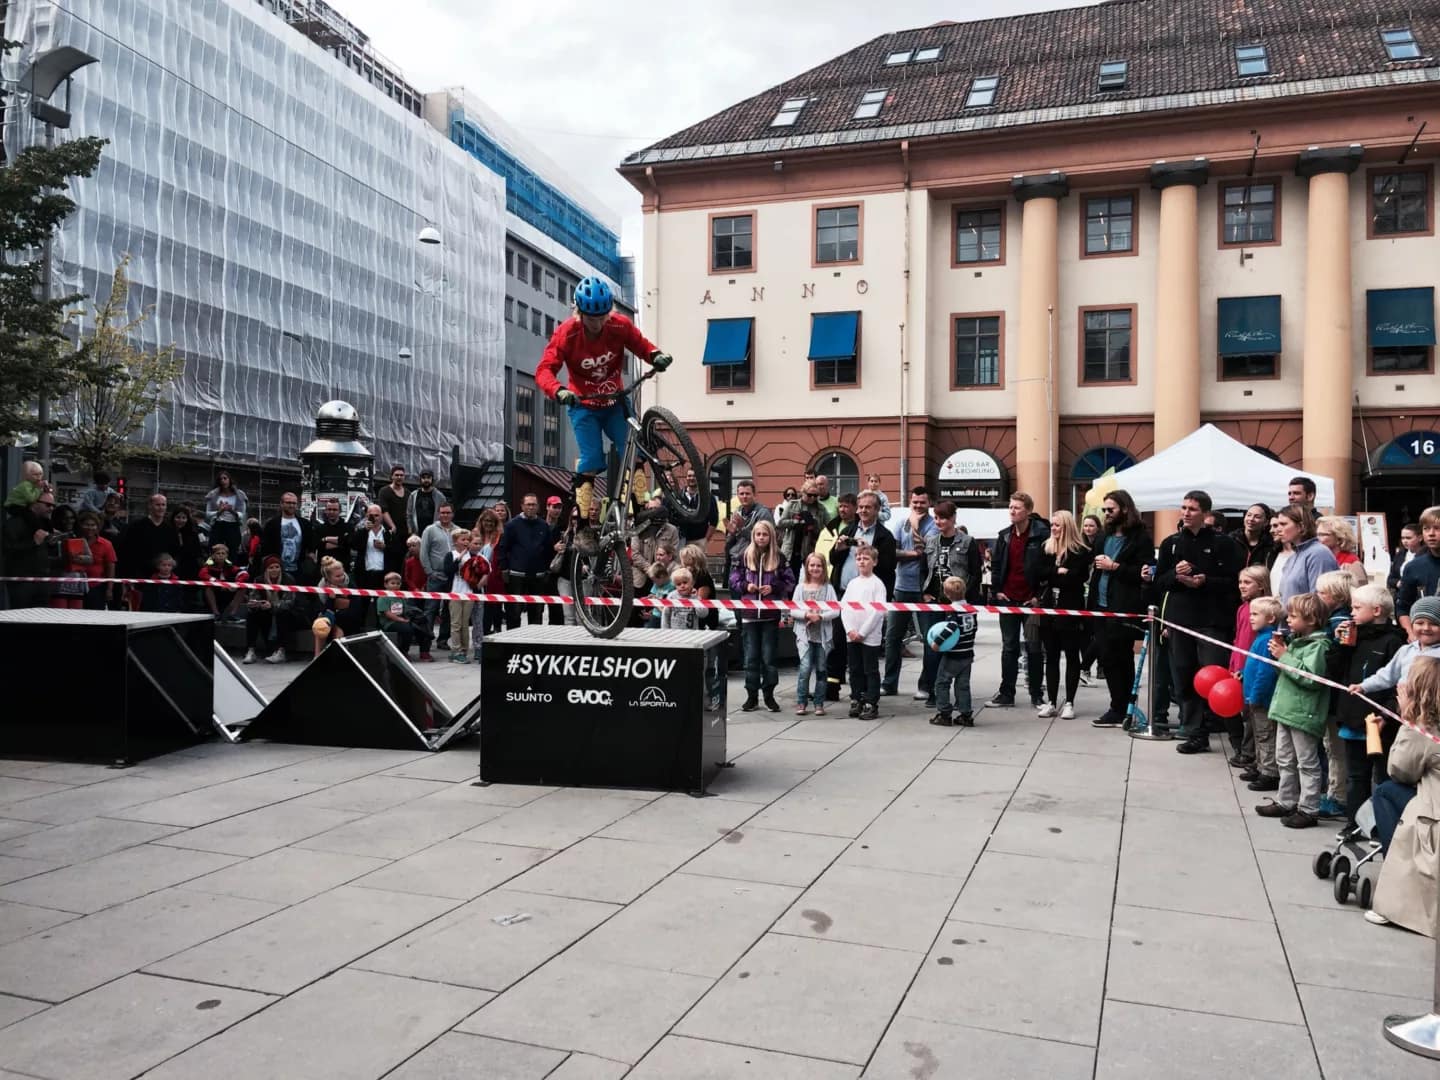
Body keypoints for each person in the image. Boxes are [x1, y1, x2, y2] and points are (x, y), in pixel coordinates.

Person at [535, 275, 673, 533]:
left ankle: (640, 507)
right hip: (583, 405)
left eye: (602, 317)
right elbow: (544, 370)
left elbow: (641, 344)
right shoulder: (567, 333)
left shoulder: (619, 326)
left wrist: (655, 355)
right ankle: (584, 525)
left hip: (614, 403)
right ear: (579, 312)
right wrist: (559, 390)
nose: (597, 323)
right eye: (591, 318)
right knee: (591, 459)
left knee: (634, 449)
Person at [1159, 490, 1243, 755]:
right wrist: (1175, 574)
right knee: (1184, 676)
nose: (1186, 513)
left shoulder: (1223, 543)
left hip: (1212, 621)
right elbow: (1159, 582)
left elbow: (1234, 582)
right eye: (1183, 507)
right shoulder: (1170, 543)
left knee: (1215, 678)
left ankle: (1237, 739)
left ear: (1205, 513)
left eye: (1192, 509)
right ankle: (1196, 732)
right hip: (1181, 620)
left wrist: (1204, 580)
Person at [1366, 655, 1440, 934]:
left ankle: (1395, 871)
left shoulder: (1425, 728)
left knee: (1385, 792)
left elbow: (1400, 769)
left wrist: (1408, 718)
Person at [1330, 583, 1406, 834]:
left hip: (1380, 722)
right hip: (1353, 717)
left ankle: (1382, 825)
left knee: (1382, 776)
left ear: (1376, 610)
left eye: (1356, 607)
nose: (1351, 612)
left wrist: (1387, 712)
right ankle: (1355, 823)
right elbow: (1334, 670)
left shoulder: (1393, 642)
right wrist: (1339, 645)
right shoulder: (1352, 636)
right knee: (1356, 775)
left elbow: (1396, 682)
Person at [1256, 592, 1332, 828]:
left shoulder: (1318, 646)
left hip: (1303, 712)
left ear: (1310, 619)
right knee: (1284, 759)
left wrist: (1285, 657)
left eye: (1294, 616)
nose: (1288, 619)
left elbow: (1310, 678)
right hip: (1286, 709)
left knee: (1306, 762)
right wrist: (1281, 657)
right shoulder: (1296, 643)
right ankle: (1286, 800)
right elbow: (1288, 673)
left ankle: (1309, 807)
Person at [1088, 489, 1152, 729]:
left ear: (1124, 509)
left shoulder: (1139, 537)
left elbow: (1144, 573)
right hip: (1101, 605)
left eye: (1110, 509)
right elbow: (1096, 569)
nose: (1106, 514)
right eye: (1104, 510)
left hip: (1123, 606)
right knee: (1106, 657)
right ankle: (1119, 705)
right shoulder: (1103, 537)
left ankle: (1121, 707)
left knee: (1120, 657)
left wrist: (1115, 566)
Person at [989, 493, 1049, 708]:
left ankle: (1036, 693)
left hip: (1031, 601)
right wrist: (997, 591)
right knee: (1009, 647)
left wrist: (1038, 596)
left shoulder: (1041, 534)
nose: (1012, 511)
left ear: (1028, 511)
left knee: (1034, 648)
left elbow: (1047, 568)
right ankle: (1007, 693)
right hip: (1008, 599)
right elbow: (996, 565)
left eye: (1017, 508)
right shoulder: (1004, 536)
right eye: (1011, 507)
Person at [1034, 510, 1094, 720]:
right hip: (1049, 608)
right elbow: (1038, 572)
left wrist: (1060, 574)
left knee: (1071, 655)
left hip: (1070, 608)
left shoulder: (1081, 551)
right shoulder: (1046, 548)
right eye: (1052, 524)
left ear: (1067, 526)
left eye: (1057, 525)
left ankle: (1069, 701)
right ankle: (1051, 701)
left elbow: (1078, 577)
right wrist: (1057, 572)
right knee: (1050, 656)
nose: (1053, 528)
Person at [730, 519, 794, 712]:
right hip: (749, 616)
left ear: (771, 536)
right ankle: (751, 696)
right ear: (753, 536)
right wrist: (745, 586)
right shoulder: (744, 556)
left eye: (765, 534)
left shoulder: (779, 558)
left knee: (769, 658)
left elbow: (789, 580)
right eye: (758, 534)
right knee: (751, 658)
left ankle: (769, 695)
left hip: (769, 616)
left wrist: (773, 587)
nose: (761, 538)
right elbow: (734, 579)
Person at [883, 486, 938, 700]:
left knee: (929, 639)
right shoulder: (901, 524)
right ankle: (889, 683)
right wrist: (912, 553)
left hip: (924, 589)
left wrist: (916, 553)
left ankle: (926, 686)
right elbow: (892, 553)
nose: (918, 506)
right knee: (892, 637)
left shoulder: (934, 526)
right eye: (915, 502)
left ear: (929, 503)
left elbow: (927, 554)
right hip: (902, 586)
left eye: (922, 502)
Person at [1229, 566, 1272, 768]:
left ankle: (1252, 755)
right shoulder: (1242, 608)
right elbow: (1239, 640)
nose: (1242, 586)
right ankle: (1250, 753)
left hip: (1251, 669)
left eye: (1248, 582)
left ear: (1261, 586)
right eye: (1240, 582)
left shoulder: (1261, 611)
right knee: (1245, 713)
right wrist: (1233, 663)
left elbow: (1250, 643)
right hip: (1239, 667)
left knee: (1253, 715)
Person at [1240, 596, 1283, 792]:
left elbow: (1265, 672)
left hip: (1261, 699)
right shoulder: (1260, 638)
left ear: (1271, 618)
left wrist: (1255, 696)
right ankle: (1260, 766)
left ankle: (1270, 772)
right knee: (1258, 734)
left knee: (1265, 735)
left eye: (1256, 614)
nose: (1251, 618)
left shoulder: (1267, 640)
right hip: (1252, 696)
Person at [791, 552, 839, 716]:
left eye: (818, 565)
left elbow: (835, 610)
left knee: (821, 669)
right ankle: (801, 701)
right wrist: (806, 615)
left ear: (824, 568)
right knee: (805, 669)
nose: (815, 568)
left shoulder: (828, 589)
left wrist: (821, 616)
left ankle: (819, 702)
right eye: (812, 565)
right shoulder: (800, 588)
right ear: (806, 567)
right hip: (805, 635)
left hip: (822, 636)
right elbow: (793, 610)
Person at [842, 545, 886, 720]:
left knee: (870, 669)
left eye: (866, 558)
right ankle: (856, 698)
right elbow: (844, 607)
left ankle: (871, 701)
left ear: (874, 562)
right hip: (852, 635)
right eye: (859, 558)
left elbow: (878, 611)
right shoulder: (852, 583)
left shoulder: (877, 584)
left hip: (869, 637)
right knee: (854, 669)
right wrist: (850, 630)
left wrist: (863, 632)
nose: (861, 561)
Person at [929, 576, 979, 728]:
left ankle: (944, 713)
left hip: (954, 654)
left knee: (942, 682)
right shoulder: (971, 610)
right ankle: (966, 714)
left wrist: (937, 642)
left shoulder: (954, 611)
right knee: (963, 685)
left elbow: (951, 628)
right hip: (968, 653)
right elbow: (974, 628)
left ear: (947, 594)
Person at [498, 494, 552, 629]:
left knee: (537, 614)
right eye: (528, 504)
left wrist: (546, 569)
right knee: (514, 612)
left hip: (538, 576)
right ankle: (512, 645)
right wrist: (504, 569)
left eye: (533, 504)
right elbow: (503, 548)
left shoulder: (544, 525)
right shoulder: (512, 525)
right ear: (522, 506)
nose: (531, 507)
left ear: (538, 507)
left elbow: (548, 549)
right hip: (516, 576)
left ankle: (533, 646)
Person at [2, 489, 56, 609]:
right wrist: (34, 543)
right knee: (20, 616)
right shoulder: (15, 522)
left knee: (42, 618)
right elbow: (7, 549)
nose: (51, 508)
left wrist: (51, 543)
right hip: (21, 580)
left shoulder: (45, 522)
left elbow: (45, 551)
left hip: (42, 578)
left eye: (53, 505)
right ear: (34, 503)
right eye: (48, 505)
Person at [1274, 505, 1337, 602]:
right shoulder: (1293, 556)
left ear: (1301, 526)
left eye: (1283, 524)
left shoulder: (1318, 553)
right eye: (1278, 525)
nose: (1278, 529)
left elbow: (1320, 599)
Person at [243, 557, 300, 664]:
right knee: (252, 614)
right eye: (271, 568)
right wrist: (254, 604)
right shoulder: (259, 580)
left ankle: (281, 652)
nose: (274, 570)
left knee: (283, 614)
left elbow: (289, 602)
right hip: (266, 611)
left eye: (277, 567)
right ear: (266, 569)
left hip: (286, 613)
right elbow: (253, 596)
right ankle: (251, 651)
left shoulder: (288, 579)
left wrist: (272, 605)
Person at [1396, 505, 1440, 637]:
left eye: (1437, 528)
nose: (1431, 533)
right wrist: (1411, 632)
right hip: (1423, 641)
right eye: (1426, 529)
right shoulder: (1414, 567)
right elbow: (1403, 607)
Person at [419, 502, 457, 647]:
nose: (445, 515)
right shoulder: (430, 530)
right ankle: (426, 639)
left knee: (449, 609)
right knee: (430, 608)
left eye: (447, 512)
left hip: (452, 577)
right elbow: (424, 552)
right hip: (435, 575)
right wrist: (429, 572)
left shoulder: (458, 531)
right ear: (438, 514)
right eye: (442, 513)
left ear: (452, 514)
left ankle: (443, 639)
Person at [350, 501, 395, 624]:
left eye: (377, 515)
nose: (374, 518)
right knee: (362, 607)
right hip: (365, 574)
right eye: (371, 515)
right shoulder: (361, 531)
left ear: (381, 516)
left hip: (382, 575)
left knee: (381, 607)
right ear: (366, 516)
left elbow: (397, 552)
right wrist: (364, 531)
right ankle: (360, 633)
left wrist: (385, 547)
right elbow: (354, 546)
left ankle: (382, 632)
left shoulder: (388, 533)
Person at [723, 480, 774, 586]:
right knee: (735, 600)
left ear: (754, 495)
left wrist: (742, 529)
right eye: (741, 494)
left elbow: (764, 540)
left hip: (754, 563)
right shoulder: (737, 512)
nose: (744, 497)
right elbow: (731, 542)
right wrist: (731, 533)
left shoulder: (763, 513)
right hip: (736, 561)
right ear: (737, 495)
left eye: (747, 493)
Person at [65, 510, 117, 611]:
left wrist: (109, 589)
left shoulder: (106, 544)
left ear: (98, 527)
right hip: (75, 587)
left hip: (96, 587)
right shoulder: (73, 541)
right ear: (80, 525)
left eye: (93, 525)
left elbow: (111, 568)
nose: (90, 528)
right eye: (86, 525)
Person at [260, 492, 315, 584]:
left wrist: (311, 554)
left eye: (294, 503)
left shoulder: (305, 524)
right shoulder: (271, 524)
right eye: (288, 503)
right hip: (277, 570)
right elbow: (265, 547)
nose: (291, 505)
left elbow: (311, 543)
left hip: (299, 569)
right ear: (281, 504)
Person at [443, 529, 478, 664]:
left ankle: (463, 650)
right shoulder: (450, 555)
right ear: (455, 541)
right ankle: (456, 650)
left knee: (465, 623)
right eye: (462, 539)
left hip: (468, 592)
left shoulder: (473, 556)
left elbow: (478, 573)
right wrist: (460, 557)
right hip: (455, 591)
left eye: (467, 540)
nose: (466, 542)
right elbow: (448, 571)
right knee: (456, 623)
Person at [377, 570, 430, 660]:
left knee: (423, 626)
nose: (395, 585)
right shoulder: (383, 597)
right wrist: (401, 620)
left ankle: (424, 652)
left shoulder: (401, 596)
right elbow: (387, 613)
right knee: (407, 629)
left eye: (398, 583)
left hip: (403, 619)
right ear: (386, 585)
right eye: (392, 583)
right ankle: (403, 651)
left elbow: (406, 609)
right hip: (390, 623)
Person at [311, 556, 357, 658]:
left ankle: (339, 656)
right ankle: (317, 657)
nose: (342, 577)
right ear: (328, 578)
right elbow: (322, 609)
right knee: (320, 625)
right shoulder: (322, 586)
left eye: (342, 574)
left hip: (347, 618)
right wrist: (332, 599)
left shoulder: (350, 582)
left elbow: (355, 607)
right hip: (330, 616)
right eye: (337, 576)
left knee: (337, 629)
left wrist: (340, 603)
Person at [203, 471, 248, 558]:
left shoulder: (240, 495)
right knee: (214, 550)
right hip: (218, 525)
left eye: (225, 478)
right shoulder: (212, 494)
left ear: (229, 480)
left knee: (232, 552)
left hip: (233, 525)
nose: (223, 481)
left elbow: (242, 514)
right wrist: (219, 511)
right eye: (220, 479)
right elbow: (208, 514)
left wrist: (232, 511)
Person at [673, 466, 718, 547]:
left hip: (699, 540)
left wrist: (705, 540)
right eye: (689, 476)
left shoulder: (708, 497)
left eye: (695, 476)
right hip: (681, 540)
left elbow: (714, 521)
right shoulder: (679, 496)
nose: (692, 478)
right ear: (686, 478)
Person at [199, 543, 246, 620]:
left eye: (223, 553)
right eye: (218, 553)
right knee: (208, 587)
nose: (221, 555)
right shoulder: (208, 566)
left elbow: (244, 574)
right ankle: (216, 613)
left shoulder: (230, 566)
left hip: (227, 592)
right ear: (213, 556)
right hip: (214, 593)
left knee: (243, 587)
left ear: (226, 555)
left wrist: (236, 584)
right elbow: (202, 574)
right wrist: (219, 583)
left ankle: (232, 614)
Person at [1232, 503, 1275, 568]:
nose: (1251, 519)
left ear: (1266, 522)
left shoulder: (1271, 544)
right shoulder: (1231, 539)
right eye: (1249, 515)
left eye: (1257, 517)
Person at [169, 505, 204, 584]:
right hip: (172, 567)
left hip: (190, 569)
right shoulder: (167, 532)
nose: (181, 520)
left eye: (184, 518)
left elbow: (198, 552)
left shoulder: (192, 533)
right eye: (178, 517)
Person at [376, 465, 410, 543]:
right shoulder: (384, 491)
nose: (399, 477)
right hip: (390, 530)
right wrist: (392, 526)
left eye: (401, 475)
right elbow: (384, 510)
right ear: (392, 476)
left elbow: (410, 513)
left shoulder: (408, 493)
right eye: (396, 475)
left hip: (405, 532)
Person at [1386, 522, 1422, 594]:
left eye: (1408, 538)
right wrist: (1397, 583)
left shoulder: (1426, 555)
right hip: (1401, 595)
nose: (1405, 541)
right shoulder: (1400, 554)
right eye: (1403, 538)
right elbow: (1390, 578)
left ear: (1420, 538)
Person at [406, 469, 440, 537]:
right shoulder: (413, 495)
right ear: (420, 479)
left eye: (428, 478)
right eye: (423, 478)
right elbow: (409, 514)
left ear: (432, 479)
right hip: (417, 532)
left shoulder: (440, 496)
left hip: (434, 533)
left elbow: (443, 515)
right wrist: (410, 530)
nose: (426, 480)